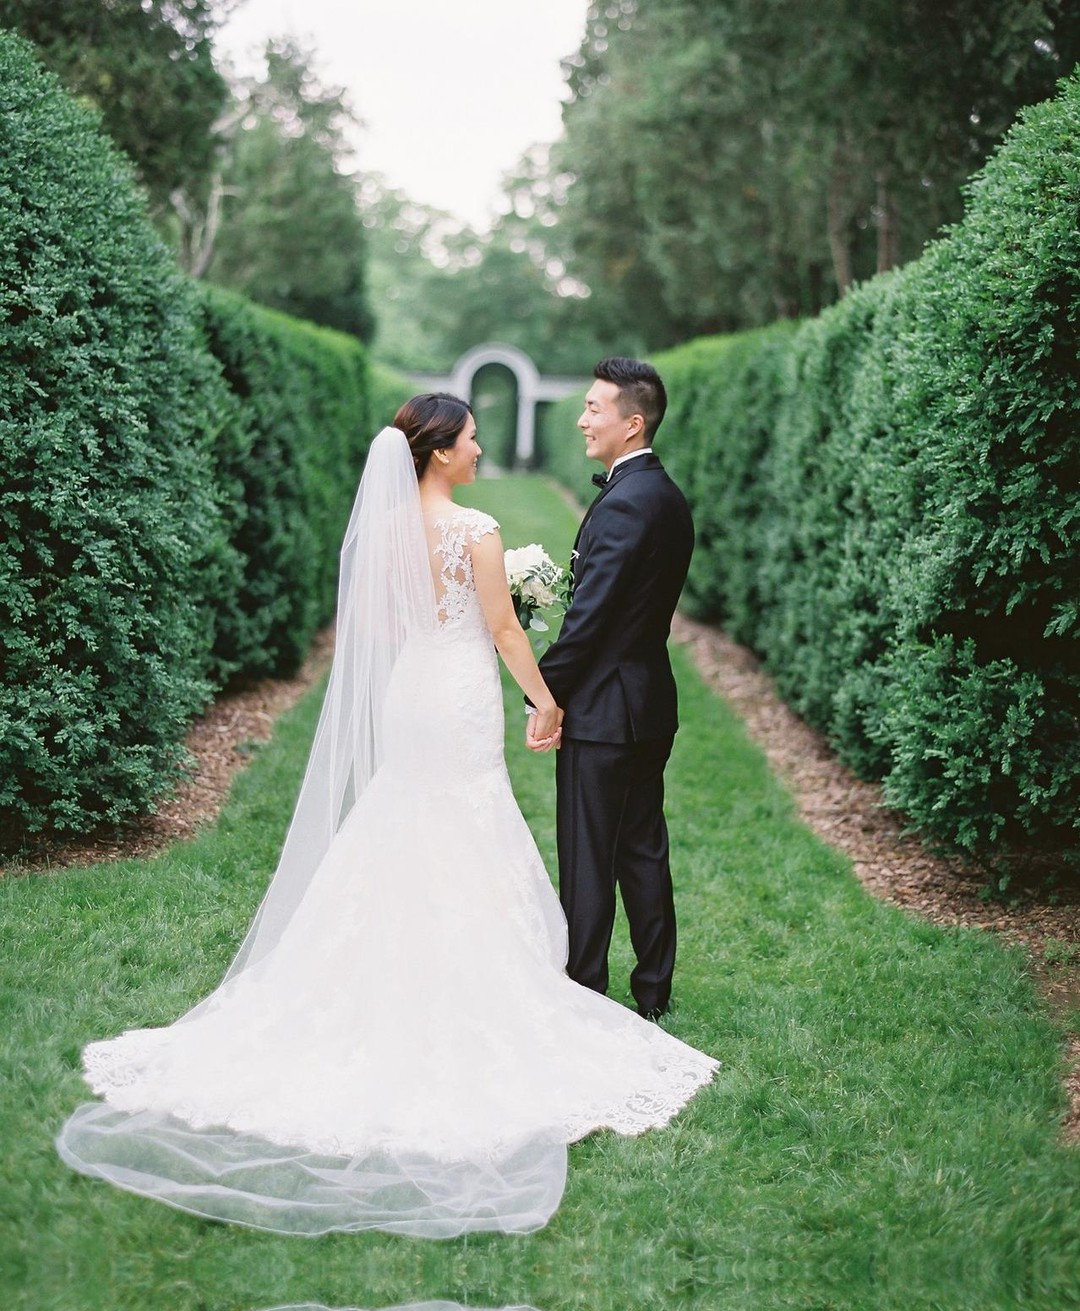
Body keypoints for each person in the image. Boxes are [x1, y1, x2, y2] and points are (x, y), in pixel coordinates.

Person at [56, 393, 717, 1239]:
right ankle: (474, 981)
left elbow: (385, 627)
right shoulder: (474, 533)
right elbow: (506, 632)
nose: (479, 448)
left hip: (414, 692)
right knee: (466, 818)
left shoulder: (387, 532)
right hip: (462, 696)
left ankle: (371, 967)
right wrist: (546, 703)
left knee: (404, 815)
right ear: (440, 453)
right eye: (472, 437)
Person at [532, 359, 692, 1022]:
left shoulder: (627, 501)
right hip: (646, 703)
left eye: (595, 407)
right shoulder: (663, 493)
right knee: (641, 847)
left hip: (605, 712)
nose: (582, 417)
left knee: (590, 855)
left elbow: (590, 619)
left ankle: (583, 991)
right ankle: (653, 988)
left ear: (632, 423)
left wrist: (543, 694)